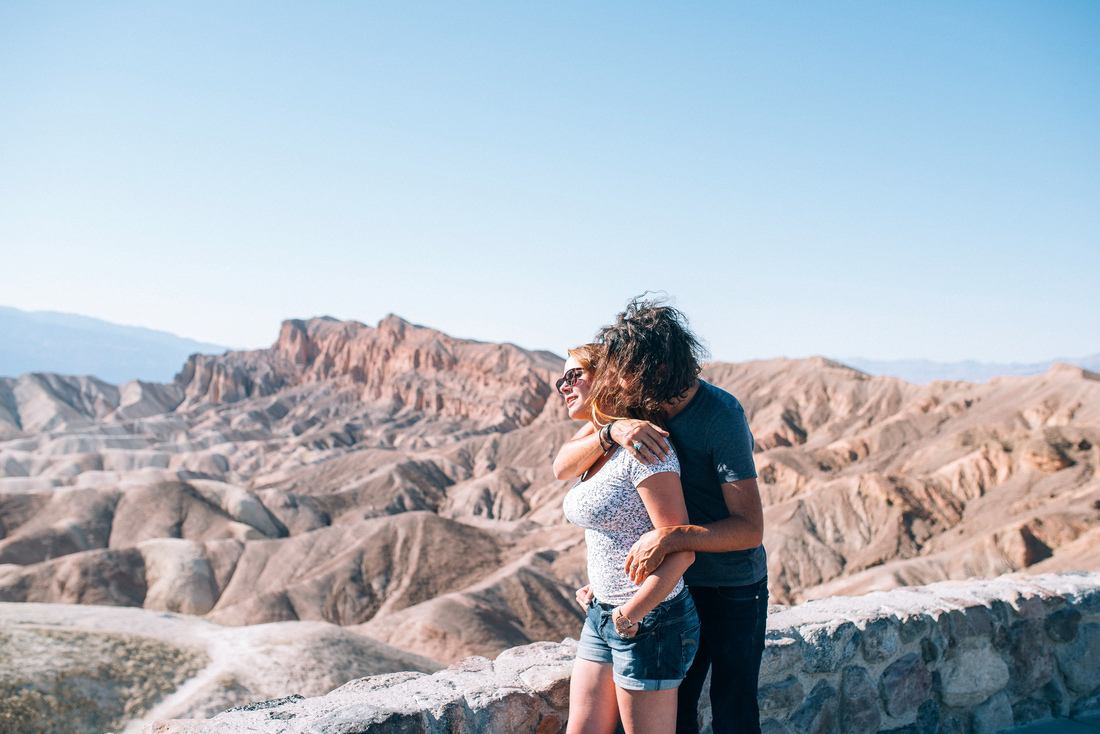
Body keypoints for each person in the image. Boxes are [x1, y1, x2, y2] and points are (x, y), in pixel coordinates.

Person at [554, 298, 767, 734]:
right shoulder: (641, 411)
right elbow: (568, 467)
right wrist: (611, 430)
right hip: (670, 586)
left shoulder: (720, 416)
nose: (614, 378)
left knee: (733, 711)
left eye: (622, 368)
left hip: (730, 584)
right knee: (679, 709)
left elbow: (750, 529)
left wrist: (672, 540)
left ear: (649, 367)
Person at [557, 343, 701, 734]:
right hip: (602, 614)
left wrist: (629, 615)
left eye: (574, 376)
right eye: (560, 380)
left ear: (605, 377)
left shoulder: (646, 450)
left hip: (649, 620)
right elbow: (559, 467)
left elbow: (680, 549)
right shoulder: (602, 446)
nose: (564, 386)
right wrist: (602, 584)